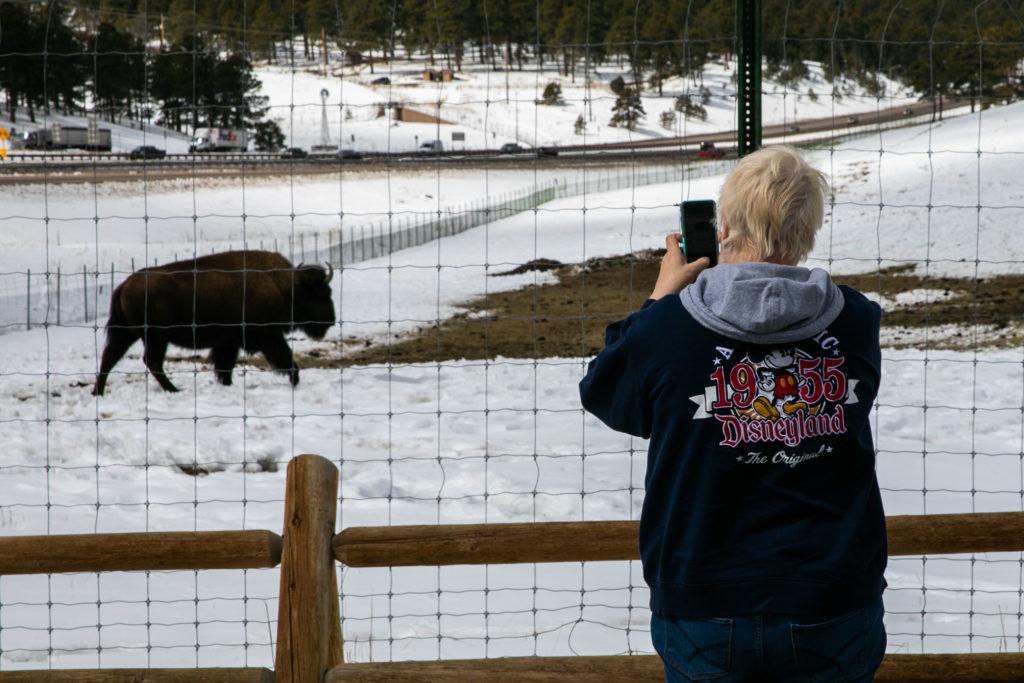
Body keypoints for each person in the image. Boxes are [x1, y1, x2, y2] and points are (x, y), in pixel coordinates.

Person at [579, 146, 886, 682]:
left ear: (723, 227)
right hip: (831, 597)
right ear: (809, 230)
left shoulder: (669, 328)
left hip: (703, 595)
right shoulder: (855, 323)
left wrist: (658, 300)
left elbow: (609, 394)